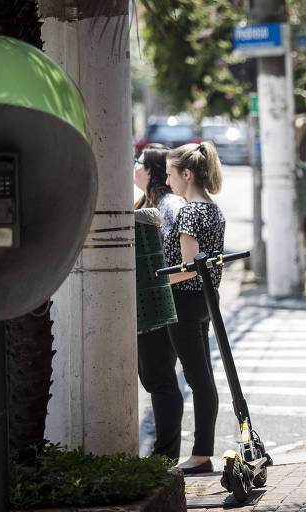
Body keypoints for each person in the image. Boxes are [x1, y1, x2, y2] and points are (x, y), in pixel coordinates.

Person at [162, 141, 226, 474]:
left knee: (198, 381)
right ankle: (202, 451)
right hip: (204, 301)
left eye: (171, 174)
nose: (169, 182)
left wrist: (152, 283)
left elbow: (188, 267)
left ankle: (201, 455)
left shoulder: (189, 212)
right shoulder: (213, 209)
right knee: (204, 379)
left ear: (187, 173)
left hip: (184, 302)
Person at [133, 143, 186, 462]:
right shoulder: (148, 202)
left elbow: (171, 257)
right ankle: (164, 453)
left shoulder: (169, 206)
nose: (134, 168)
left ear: (151, 171)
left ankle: (166, 456)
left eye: (139, 163)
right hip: (148, 307)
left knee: (161, 381)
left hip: (160, 308)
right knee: (156, 380)